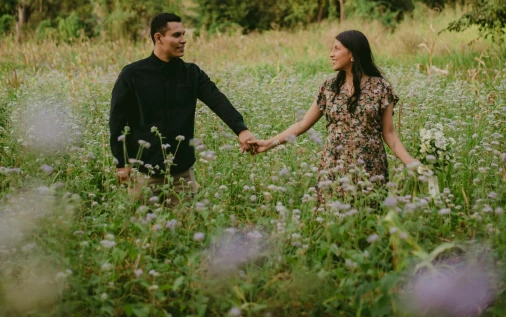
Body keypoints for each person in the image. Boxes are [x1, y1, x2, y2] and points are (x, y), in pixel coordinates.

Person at [247, 30, 417, 203]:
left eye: (336, 49)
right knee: (332, 219)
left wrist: (410, 162)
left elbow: (389, 133)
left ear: (353, 53)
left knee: (367, 220)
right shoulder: (329, 87)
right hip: (333, 166)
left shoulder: (381, 88)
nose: (331, 54)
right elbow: (303, 124)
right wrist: (268, 143)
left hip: (370, 168)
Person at [109, 12, 254, 202]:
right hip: (143, 175)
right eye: (177, 35)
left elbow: (217, 100)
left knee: (186, 228)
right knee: (142, 229)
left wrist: (241, 129)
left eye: (184, 34)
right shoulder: (133, 74)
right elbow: (117, 121)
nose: (184, 40)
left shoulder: (191, 73)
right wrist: (121, 162)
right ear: (158, 38)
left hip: (182, 176)